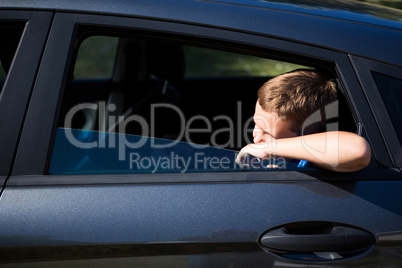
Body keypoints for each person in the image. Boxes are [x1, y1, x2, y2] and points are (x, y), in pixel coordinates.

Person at [235, 69, 371, 172]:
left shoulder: (311, 160)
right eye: (257, 125)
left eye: (269, 134)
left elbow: (357, 150)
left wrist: (267, 149)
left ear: (307, 137)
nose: (257, 139)